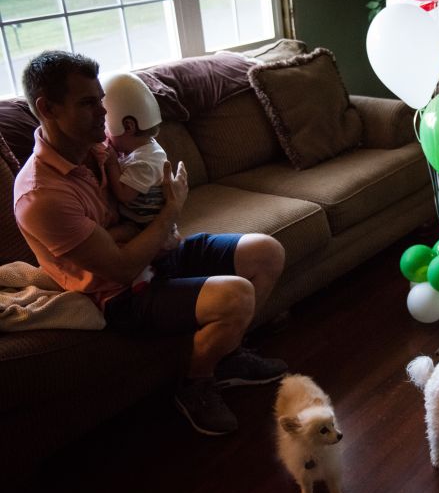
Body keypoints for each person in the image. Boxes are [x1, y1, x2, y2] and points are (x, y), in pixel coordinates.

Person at [14, 51, 288, 436]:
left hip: (158, 252)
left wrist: (135, 231)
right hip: (122, 294)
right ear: (48, 108)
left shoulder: (96, 147)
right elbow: (122, 266)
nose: (102, 112)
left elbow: (139, 198)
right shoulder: (42, 195)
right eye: (88, 103)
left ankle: (226, 353)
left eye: (101, 99)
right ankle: (195, 385)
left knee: (266, 251)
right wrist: (171, 209)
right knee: (238, 295)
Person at [99, 71, 179, 250]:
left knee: (106, 239)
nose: (105, 136)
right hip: (139, 221)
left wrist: (111, 162)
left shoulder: (145, 162)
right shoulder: (141, 149)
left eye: (106, 128)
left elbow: (123, 195)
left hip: (146, 227)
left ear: (128, 126)